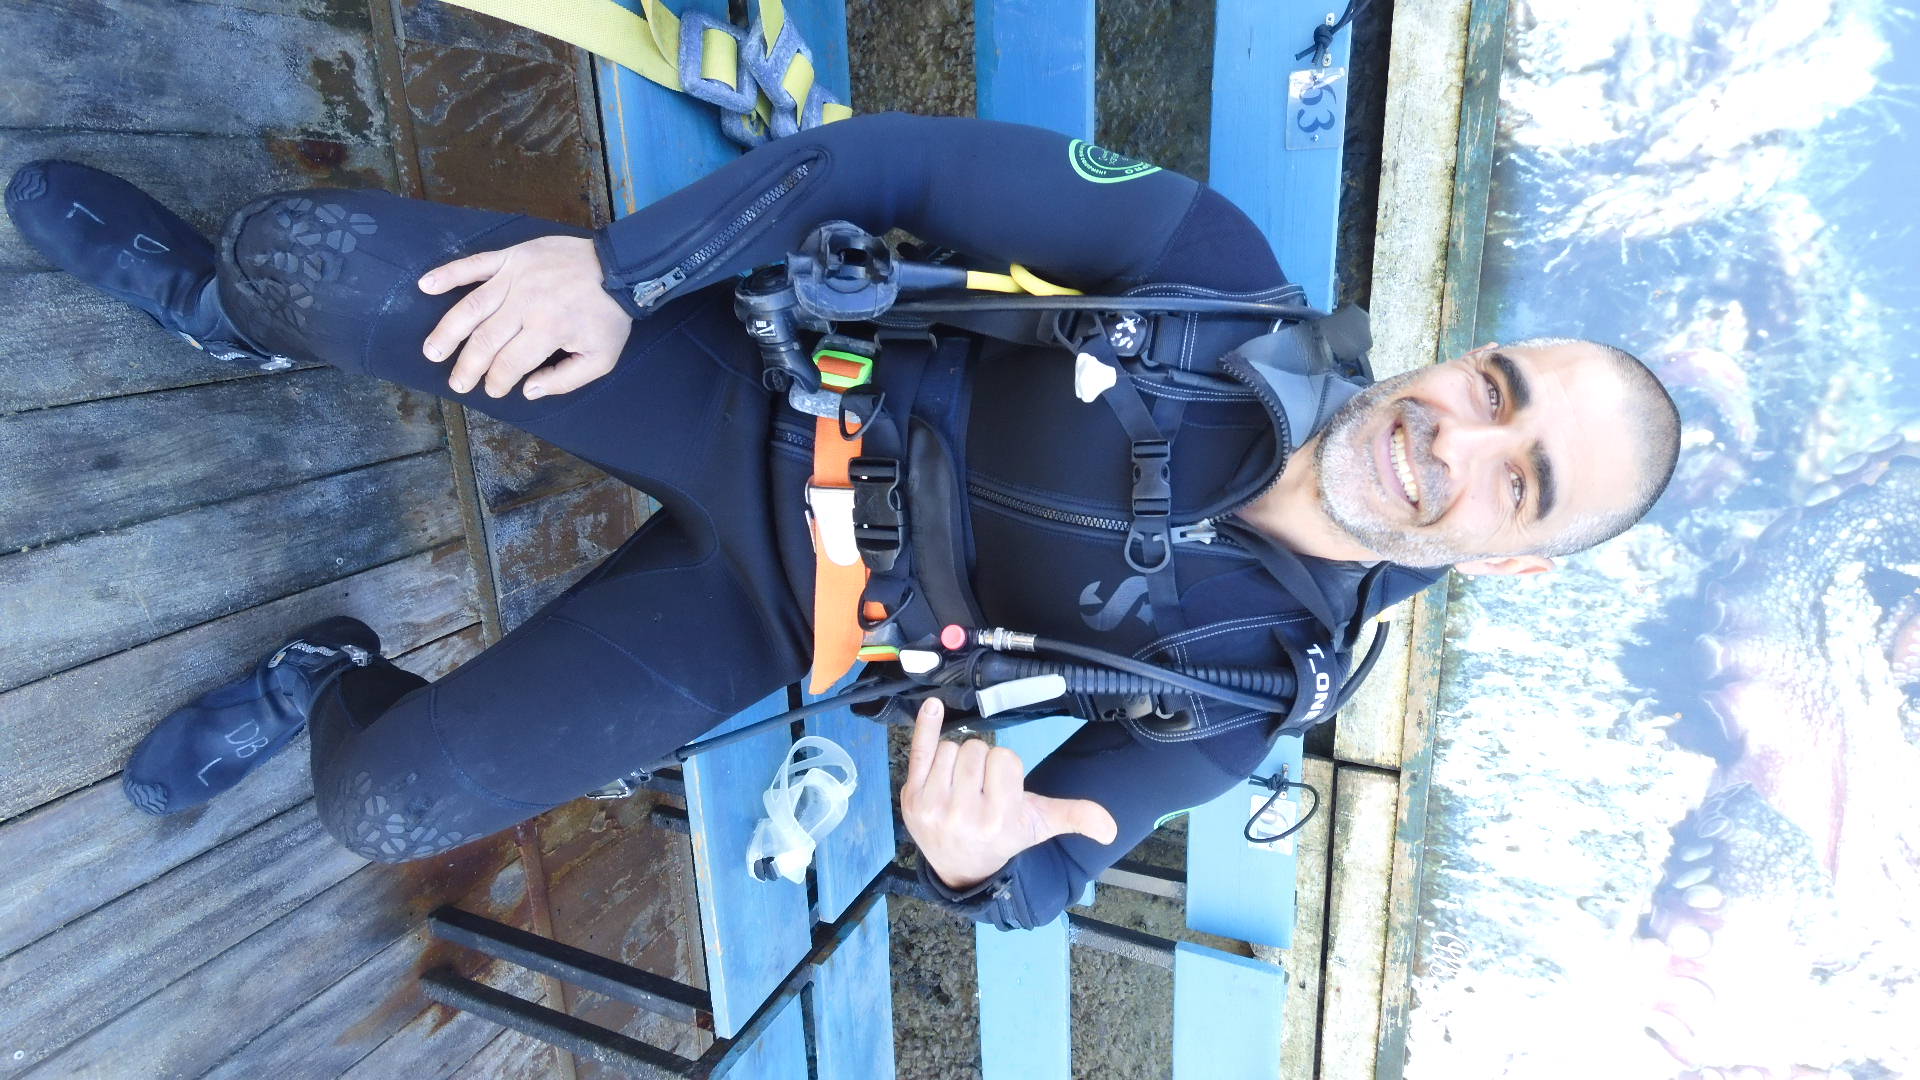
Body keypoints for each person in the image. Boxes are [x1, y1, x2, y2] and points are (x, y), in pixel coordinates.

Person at [4, 112, 1679, 930]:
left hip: (773, 614)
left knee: (385, 805)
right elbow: (895, 169)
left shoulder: (1245, 689)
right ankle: (228, 312)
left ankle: (326, 677)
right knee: (300, 258)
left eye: (1520, 478)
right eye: (1500, 384)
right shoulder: (1209, 275)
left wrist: (976, 858)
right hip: (735, 378)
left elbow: (1054, 871)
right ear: (1470, 352)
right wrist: (620, 273)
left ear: (1514, 560)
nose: (1459, 437)